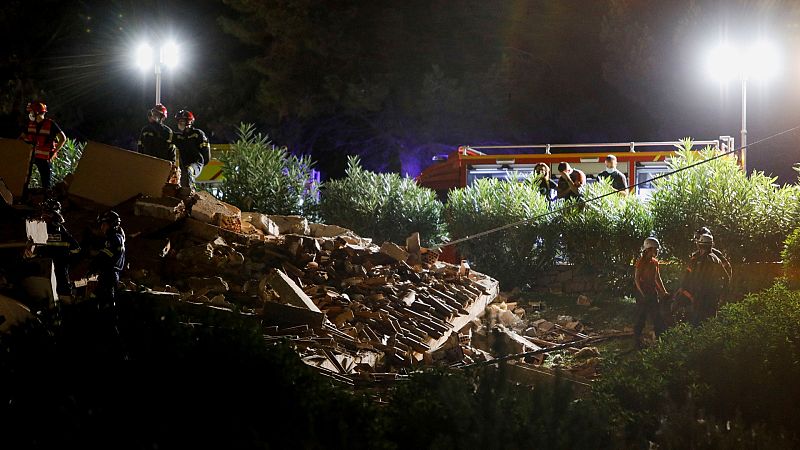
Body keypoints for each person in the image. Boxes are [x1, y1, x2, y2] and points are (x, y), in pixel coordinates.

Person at [675, 233, 728, 326]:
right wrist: (722, 293)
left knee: (698, 321)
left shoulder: (696, 260)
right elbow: (726, 277)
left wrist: (684, 290)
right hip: (713, 296)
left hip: (700, 296)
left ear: (700, 245)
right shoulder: (717, 259)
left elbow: (688, 276)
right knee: (711, 322)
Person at [20, 101, 67, 196]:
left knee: (46, 183)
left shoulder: (51, 124)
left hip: (44, 158)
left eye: (31, 112)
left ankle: (46, 201)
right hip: (31, 156)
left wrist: (54, 152)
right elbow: (22, 137)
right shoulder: (30, 124)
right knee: (25, 179)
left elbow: (63, 138)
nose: (30, 114)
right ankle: (23, 197)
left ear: (37, 112)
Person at [38, 199, 81, 297]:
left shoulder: (59, 231)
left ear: (53, 214)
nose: (43, 216)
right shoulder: (44, 229)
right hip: (45, 269)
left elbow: (76, 249)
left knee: (62, 291)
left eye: (46, 212)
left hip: (58, 270)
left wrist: (65, 261)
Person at [633, 237, 668, 347]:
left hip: (652, 294)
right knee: (641, 317)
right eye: (655, 249)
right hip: (642, 294)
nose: (657, 251)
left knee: (657, 317)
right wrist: (642, 294)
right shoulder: (641, 262)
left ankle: (659, 340)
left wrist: (664, 292)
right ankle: (637, 340)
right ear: (649, 249)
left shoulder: (655, 263)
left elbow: (657, 279)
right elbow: (637, 279)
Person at [88, 210, 126, 304]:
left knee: (99, 299)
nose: (102, 227)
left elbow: (104, 257)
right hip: (110, 274)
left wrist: (92, 267)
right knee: (105, 298)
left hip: (109, 275)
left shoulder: (113, 239)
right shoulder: (117, 238)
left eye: (103, 224)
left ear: (110, 225)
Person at [173, 109, 211, 190]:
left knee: (189, 170)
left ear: (189, 122)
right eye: (178, 121)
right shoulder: (179, 137)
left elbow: (206, 153)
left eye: (182, 121)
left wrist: (200, 164)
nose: (179, 123)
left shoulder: (197, 134)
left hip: (196, 163)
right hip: (184, 167)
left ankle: (191, 191)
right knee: (182, 181)